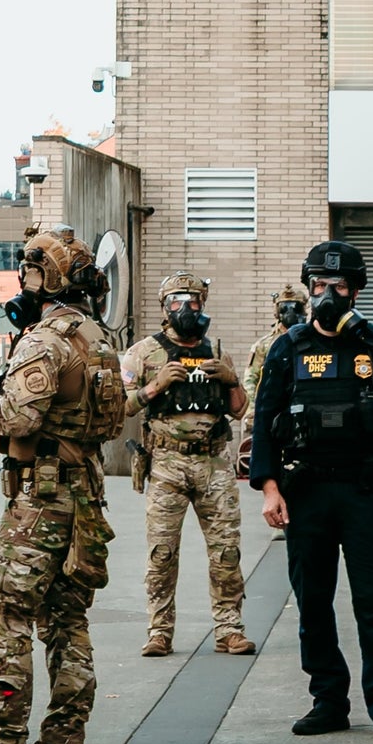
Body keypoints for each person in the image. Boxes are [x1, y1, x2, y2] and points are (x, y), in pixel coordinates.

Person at [0, 227, 128, 744]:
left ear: (44, 278)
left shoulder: (42, 340)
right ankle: (65, 736)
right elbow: (112, 419)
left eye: (27, 273)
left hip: (41, 497)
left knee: (7, 610)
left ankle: (3, 740)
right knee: (68, 616)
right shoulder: (98, 339)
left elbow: (21, 417)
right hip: (85, 495)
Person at [249, 239, 373, 739]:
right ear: (307, 288)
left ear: (356, 290)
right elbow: (263, 421)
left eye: (338, 285)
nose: (327, 294)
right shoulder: (288, 347)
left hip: (366, 492)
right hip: (306, 495)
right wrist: (269, 488)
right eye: (319, 285)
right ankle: (328, 700)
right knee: (313, 603)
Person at [122, 273, 253, 658]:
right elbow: (117, 407)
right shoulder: (143, 353)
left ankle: (229, 629)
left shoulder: (217, 352)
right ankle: (159, 630)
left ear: (203, 305)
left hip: (214, 463)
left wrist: (231, 380)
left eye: (193, 302)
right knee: (162, 552)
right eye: (177, 301)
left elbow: (241, 409)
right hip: (166, 463)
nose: (185, 309)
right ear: (165, 307)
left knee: (226, 551)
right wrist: (154, 386)